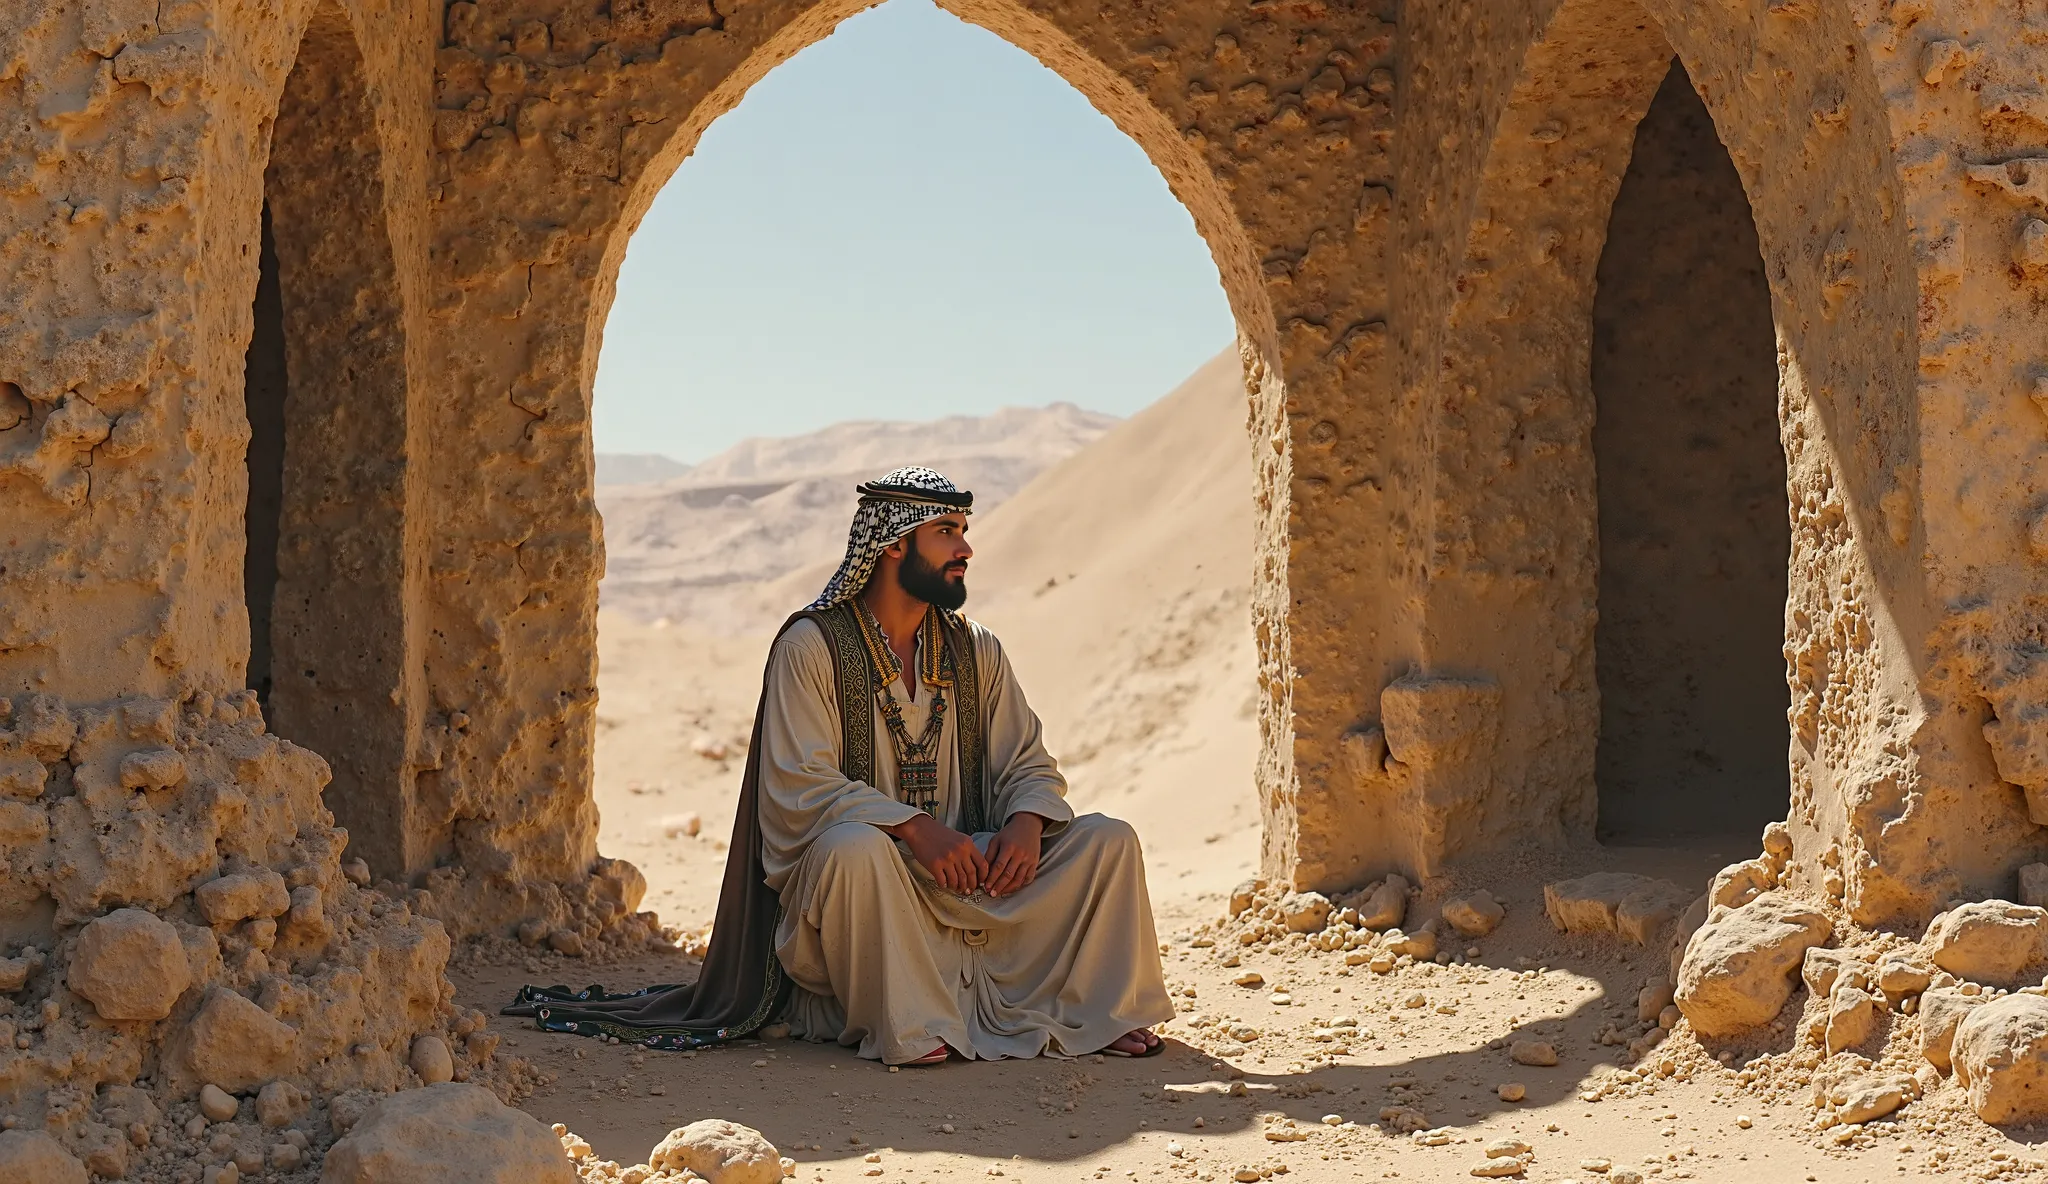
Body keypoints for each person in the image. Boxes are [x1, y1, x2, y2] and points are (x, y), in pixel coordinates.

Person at [508, 466, 1172, 1064]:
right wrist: (913, 829)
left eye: (965, 531)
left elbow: (1026, 759)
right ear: (894, 546)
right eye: (946, 532)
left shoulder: (978, 651)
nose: (965, 549)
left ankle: (1099, 1014)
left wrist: (1027, 824)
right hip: (872, 893)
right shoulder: (812, 646)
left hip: (974, 882)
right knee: (855, 851)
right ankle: (911, 1022)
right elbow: (799, 787)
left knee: (1108, 841)